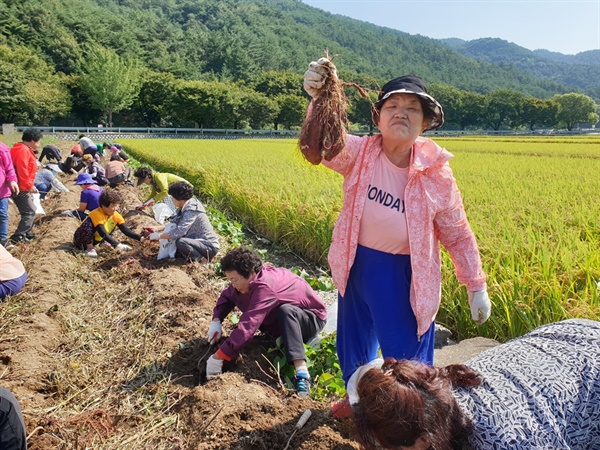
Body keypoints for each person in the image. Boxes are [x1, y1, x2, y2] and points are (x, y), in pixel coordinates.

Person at [301, 62, 490, 413]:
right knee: (354, 344)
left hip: (405, 274)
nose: (400, 113)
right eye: (392, 106)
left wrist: (475, 284)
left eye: (411, 108)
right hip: (356, 264)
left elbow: (457, 233)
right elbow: (322, 146)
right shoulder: (360, 153)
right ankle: (358, 400)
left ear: (426, 121)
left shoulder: (437, 175)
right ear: (378, 118)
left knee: (406, 358)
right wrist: (319, 99)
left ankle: (412, 421)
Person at [350, 319, 600, 450]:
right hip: (561, 341)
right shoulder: (433, 393)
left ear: (424, 442)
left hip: (588, 370)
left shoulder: (508, 442)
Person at [205, 246, 327, 398]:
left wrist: (219, 356)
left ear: (250, 273)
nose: (233, 284)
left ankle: (302, 372)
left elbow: (249, 324)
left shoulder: (266, 287)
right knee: (250, 303)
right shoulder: (248, 280)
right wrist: (217, 320)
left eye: (234, 280)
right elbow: (227, 295)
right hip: (281, 320)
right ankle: (277, 336)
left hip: (309, 319)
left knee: (285, 311)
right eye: (230, 280)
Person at [144, 181, 219, 262]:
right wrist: (155, 228)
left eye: (172, 197)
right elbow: (174, 223)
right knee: (176, 246)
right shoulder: (184, 206)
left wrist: (158, 236)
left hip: (207, 246)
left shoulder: (191, 209)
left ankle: (200, 259)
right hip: (196, 243)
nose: (172, 200)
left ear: (179, 198)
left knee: (180, 242)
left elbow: (179, 231)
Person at [73, 189, 141, 258]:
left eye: (116, 206)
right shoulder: (96, 214)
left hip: (96, 239)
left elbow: (126, 230)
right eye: (113, 206)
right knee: (87, 225)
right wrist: (117, 245)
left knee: (112, 222)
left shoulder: (115, 215)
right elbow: (102, 233)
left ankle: (103, 242)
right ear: (103, 206)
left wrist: (141, 238)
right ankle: (89, 248)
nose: (115, 209)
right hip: (81, 241)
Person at [9, 128, 43, 244]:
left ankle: (26, 232)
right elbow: (22, 170)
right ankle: (18, 235)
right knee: (30, 211)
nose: (39, 144)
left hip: (21, 185)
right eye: (39, 141)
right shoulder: (23, 150)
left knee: (30, 209)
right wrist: (29, 186)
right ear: (33, 140)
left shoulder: (20, 148)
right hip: (20, 186)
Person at [0, 143, 19, 248]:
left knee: (2, 214)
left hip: (1, 190)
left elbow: (9, 167)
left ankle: (3, 239)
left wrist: (12, 181)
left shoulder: (2, 149)